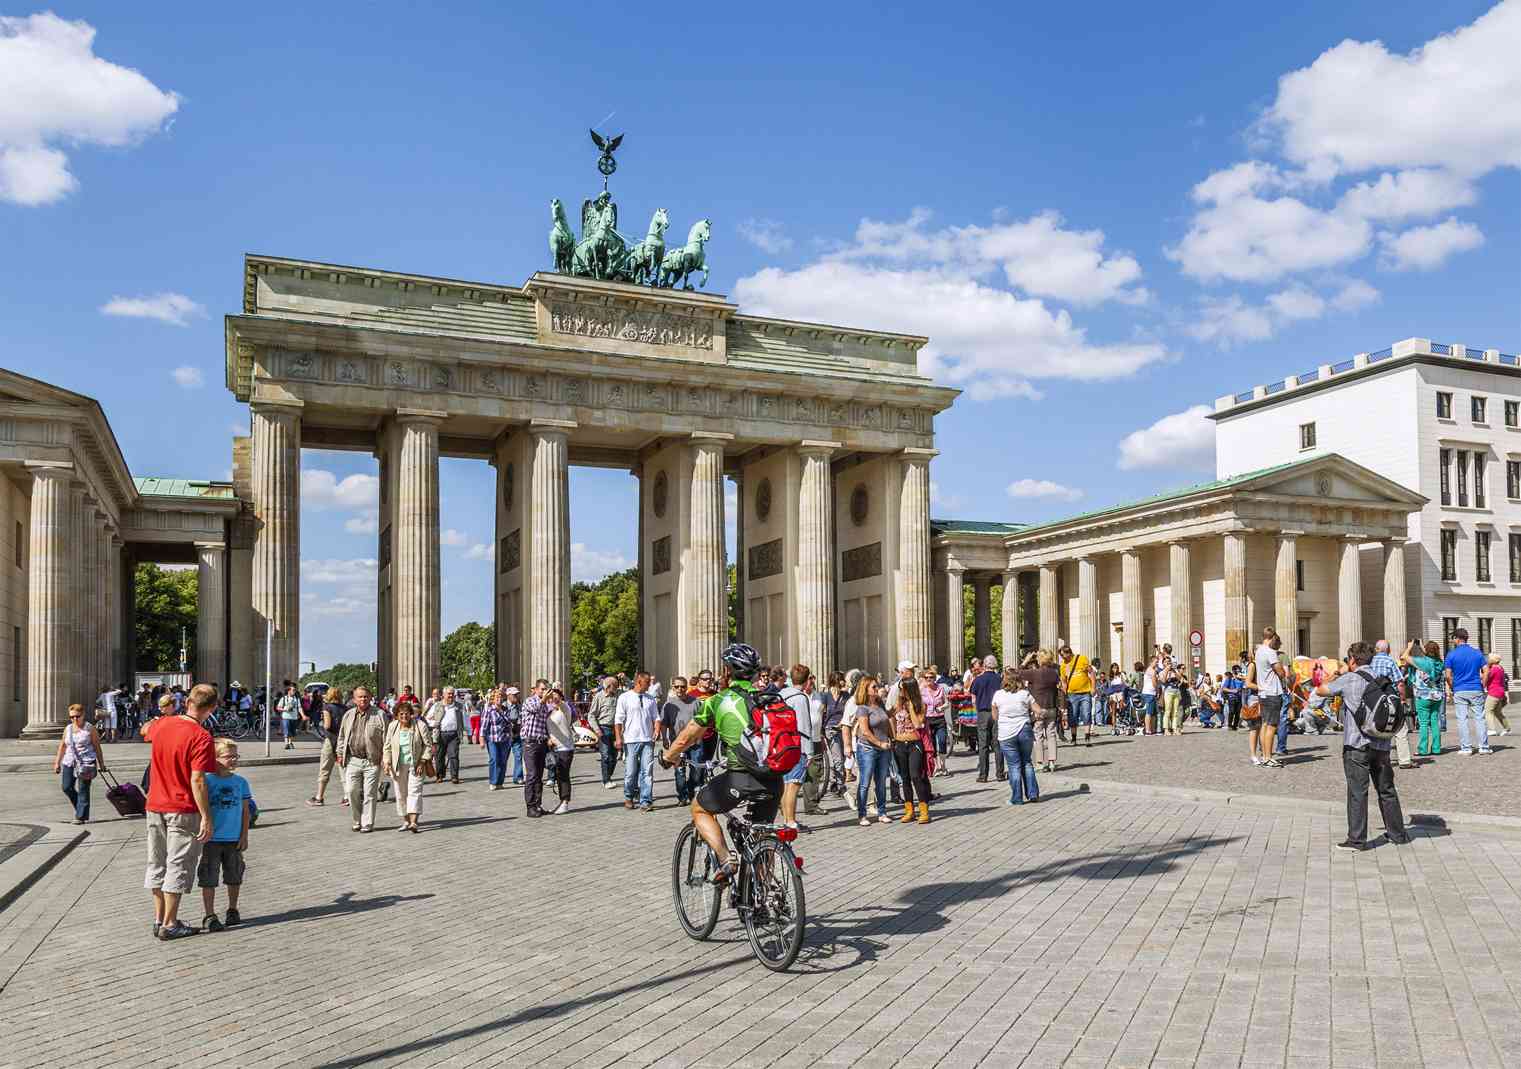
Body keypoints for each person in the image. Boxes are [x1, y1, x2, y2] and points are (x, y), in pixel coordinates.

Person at [658, 645, 781, 885]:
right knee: (763, 832)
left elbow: (688, 736)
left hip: (741, 777)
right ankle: (766, 898)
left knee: (700, 808)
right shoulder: (771, 698)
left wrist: (668, 756)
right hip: (775, 779)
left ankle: (726, 859)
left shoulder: (719, 700)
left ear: (727, 671)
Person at [1317, 641, 1410, 851]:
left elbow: (1320, 690)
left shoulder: (1349, 679)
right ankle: (1398, 834)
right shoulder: (1382, 680)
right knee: (1386, 789)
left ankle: (1357, 839)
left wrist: (1336, 673)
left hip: (1356, 744)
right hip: (1382, 743)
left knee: (1358, 791)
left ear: (1352, 660)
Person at [145, 683, 218, 941]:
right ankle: (170, 923)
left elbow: (146, 732)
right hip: (182, 807)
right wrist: (207, 817)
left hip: (154, 804)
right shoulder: (201, 736)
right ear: (212, 708)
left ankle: (158, 919)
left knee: (157, 862)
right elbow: (197, 780)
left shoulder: (162, 725)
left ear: (187, 701)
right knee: (178, 864)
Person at [197, 738, 251, 931]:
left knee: (234, 875)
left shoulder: (241, 782)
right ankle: (209, 914)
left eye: (236, 756)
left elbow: (246, 811)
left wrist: (244, 835)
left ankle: (232, 909)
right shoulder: (206, 781)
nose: (234, 760)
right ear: (216, 758)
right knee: (208, 877)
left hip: (233, 838)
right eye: (229, 756)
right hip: (211, 839)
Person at [336, 686, 386, 832]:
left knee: (370, 793)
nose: (363, 699)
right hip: (353, 759)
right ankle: (357, 820)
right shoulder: (348, 715)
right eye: (360, 697)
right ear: (354, 699)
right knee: (351, 791)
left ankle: (367, 823)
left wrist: (386, 758)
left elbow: (386, 738)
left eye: (366, 696)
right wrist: (340, 754)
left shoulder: (380, 714)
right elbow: (342, 736)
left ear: (370, 697)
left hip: (372, 760)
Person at [383, 699, 433, 833]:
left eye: (406, 714)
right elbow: (387, 746)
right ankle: (405, 820)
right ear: (397, 716)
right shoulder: (393, 726)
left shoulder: (420, 725)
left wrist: (423, 761)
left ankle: (413, 822)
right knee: (401, 794)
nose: (404, 717)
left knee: (414, 792)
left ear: (411, 714)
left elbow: (428, 746)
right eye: (401, 714)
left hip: (416, 765)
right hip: (398, 766)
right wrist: (387, 762)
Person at [993, 668, 1041, 805]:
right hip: (1024, 730)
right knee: (1026, 762)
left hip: (1006, 733)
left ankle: (1017, 798)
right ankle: (1032, 794)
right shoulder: (1024, 694)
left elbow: (995, 716)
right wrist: (1033, 716)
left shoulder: (998, 695)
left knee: (1014, 766)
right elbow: (1038, 710)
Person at [53, 703, 106, 825]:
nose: (75, 719)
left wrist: (101, 764)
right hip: (69, 761)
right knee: (66, 787)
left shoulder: (90, 728)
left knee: (83, 789)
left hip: (86, 762)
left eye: (77, 716)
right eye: (72, 717)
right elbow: (63, 746)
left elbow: (97, 747)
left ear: (83, 715)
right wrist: (57, 762)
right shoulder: (68, 728)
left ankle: (80, 816)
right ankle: (81, 807)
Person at [851, 676, 894, 826]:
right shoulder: (863, 708)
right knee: (865, 782)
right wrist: (880, 743)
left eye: (877, 686)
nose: (877, 689)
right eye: (874, 687)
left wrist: (890, 738)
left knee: (881, 782)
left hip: (883, 749)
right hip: (867, 749)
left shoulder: (880, 704)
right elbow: (866, 731)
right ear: (866, 690)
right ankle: (862, 814)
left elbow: (886, 721)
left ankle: (882, 812)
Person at [777, 664, 815, 830]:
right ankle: (791, 821)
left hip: (781, 743)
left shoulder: (781, 694)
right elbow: (804, 726)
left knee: (786, 784)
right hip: (796, 745)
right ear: (807, 681)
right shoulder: (800, 698)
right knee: (794, 784)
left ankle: (787, 819)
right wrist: (809, 751)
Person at [615, 671, 659, 812]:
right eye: (647, 682)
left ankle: (645, 801)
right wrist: (618, 738)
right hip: (630, 740)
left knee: (647, 772)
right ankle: (629, 796)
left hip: (647, 740)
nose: (649, 685)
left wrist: (656, 730)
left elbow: (656, 717)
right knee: (631, 772)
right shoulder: (625, 697)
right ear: (639, 681)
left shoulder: (650, 699)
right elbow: (618, 720)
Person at [1443, 628, 1492, 756]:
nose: (1452, 640)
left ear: (1457, 639)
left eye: (1453, 638)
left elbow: (1448, 675)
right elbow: (1486, 671)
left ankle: (1466, 748)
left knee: (1462, 719)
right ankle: (1484, 747)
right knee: (1480, 718)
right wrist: (1484, 684)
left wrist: (1452, 686)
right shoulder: (1477, 653)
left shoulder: (1451, 654)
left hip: (1459, 689)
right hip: (1476, 688)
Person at [889, 683, 932, 823]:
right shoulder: (898, 704)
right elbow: (891, 718)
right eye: (901, 689)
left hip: (914, 744)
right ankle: (909, 810)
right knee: (905, 777)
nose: (901, 691)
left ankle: (924, 810)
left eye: (903, 689)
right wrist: (894, 736)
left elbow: (918, 724)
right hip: (900, 744)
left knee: (915, 776)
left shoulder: (920, 705)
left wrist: (911, 707)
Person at [1368, 640, 1412, 768]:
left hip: (1373, 700)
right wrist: (1403, 699)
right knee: (1400, 728)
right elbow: (1400, 683)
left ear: (1376, 649)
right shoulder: (1390, 661)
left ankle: (1374, 759)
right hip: (1390, 699)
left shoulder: (1370, 662)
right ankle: (1404, 761)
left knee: (1373, 728)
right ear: (1388, 650)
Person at [1402, 640, 1445, 756]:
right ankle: (1436, 748)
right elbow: (1430, 657)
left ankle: (1423, 749)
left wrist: (1410, 647)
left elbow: (1404, 657)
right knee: (1435, 721)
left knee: (1424, 723)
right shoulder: (1440, 663)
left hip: (1423, 695)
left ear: (1426, 650)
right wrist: (1422, 647)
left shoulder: (1421, 662)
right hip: (1437, 695)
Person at [306, 687, 346, 807]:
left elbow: (327, 725)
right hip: (342, 741)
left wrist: (323, 725)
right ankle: (347, 797)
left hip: (330, 740)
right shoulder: (346, 708)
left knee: (325, 769)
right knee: (343, 769)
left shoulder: (327, 707)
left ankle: (319, 797)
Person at [1022, 650, 1061, 773]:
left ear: (1039, 659)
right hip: (1051, 707)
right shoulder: (1054, 673)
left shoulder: (1034, 673)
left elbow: (1016, 673)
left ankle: (1039, 763)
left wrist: (1026, 660)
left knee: (1038, 735)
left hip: (1038, 707)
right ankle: (1052, 762)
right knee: (1051, 734)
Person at [519, 679, 551, 817]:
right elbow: (534, 709)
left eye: (546, 689)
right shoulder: (530, 701)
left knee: (539, 776)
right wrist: (544, 700)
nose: (545, 692)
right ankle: (530, 807)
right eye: (542, 689)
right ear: (536, 689)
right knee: (531, 775)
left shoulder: (545, 704)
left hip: (541, 742)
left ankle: (538, 805)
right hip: (530, 743)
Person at [1254, 629, 1287, 768]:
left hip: (1262, 692)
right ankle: (1268, 757)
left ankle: (1264, 756)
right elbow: (1281, 672)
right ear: (1272, 637)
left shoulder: (1259, 651)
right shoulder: (1270, 652)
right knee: (1272, 726)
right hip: (1272, 692)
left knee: (1265, 725)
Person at [971, 655, 1004, 782]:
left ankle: (983, 775)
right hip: (997, 713)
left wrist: (977, 711)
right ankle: (1000, 774)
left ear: (984, 665)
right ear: (995, 666)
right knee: (997, 744)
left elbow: (973, 699)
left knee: (983, 745)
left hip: (983, 713)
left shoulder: (978, 680)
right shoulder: (999, 679)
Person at [544, 687, 577, 814]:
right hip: (554, 748)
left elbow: (562, 704)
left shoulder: (565, 709)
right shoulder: (550, 712)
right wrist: (548, 739)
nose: (553, 699)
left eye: (556, 697)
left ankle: (565, 801)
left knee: (563, 775)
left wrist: (557, 697)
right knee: (558, 775)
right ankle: (561, 801)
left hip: (565, 748)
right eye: (551, 697)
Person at [587, 675, 621, 789]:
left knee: (614, 756)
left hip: (616, 728)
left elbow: (631, 687)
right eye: (615, 686)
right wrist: (597, 730)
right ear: (608, 687)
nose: (617, 687)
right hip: (603, 728)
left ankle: (608, 776)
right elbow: (591, 715)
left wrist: (625, 678)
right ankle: (606, 780)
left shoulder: (619, 695)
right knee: (605, 755)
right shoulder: (599, 696)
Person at [478, 687, 515, 790]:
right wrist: (481, 739)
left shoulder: (505, 709)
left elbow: (509, 724)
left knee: (503, 761)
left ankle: (500, 782)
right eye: (497, 697)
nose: (499, 699)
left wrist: (510, 736)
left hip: (504, 739)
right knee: (494, 759)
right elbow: (484, 725)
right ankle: (493, 782)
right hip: (492, 739)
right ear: (493, 699)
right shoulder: (489, 710)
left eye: (500, 697)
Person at [1059, 645, 1095, 744]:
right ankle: (1074, 738)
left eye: (1063, 655)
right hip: (1072, 694)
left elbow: (1091, 673)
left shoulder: (1082, 659)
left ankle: (1087, 737)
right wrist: (1064, 692)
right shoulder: (1063, 665)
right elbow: (1064, 681)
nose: (1062, 658)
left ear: (1068, 653)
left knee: (1086, 713)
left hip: (1085, 692)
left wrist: (1093, 687)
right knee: (1073, 716)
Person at [433, 687, 467, 784]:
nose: (451, 696)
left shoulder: (459, 706)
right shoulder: (437, 705)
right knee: (439, 756)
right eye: (449, 694)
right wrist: (434, 725)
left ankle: (454, 777)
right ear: (443, 695)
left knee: (454, 756)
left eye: (452, 694)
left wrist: (465, 731)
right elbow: (429, 717)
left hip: (454, 734)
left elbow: (463, 718)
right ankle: (439, 775)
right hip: (441, 734)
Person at [920, 668, 949, 772]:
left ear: (935, 678)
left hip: (940, 718)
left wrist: (941, 708)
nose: (929, 679)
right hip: (928, 719)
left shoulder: (940, 688)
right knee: (932, 743)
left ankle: (943, 765)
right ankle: (936, 766)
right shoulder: (922, 690)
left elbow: (947, 703)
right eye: (926, 677)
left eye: (931, 677)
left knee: (942, 740)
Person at [1483, 653, 1511, 737]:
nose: (1487, 659)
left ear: (1492, 660)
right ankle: (1507, 728)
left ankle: (1492, 729)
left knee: (1488, 711)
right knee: (1498, 712)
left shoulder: (1493, 669)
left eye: (1488, 658)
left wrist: (1483, 673)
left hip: (1493, 692)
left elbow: (1487, 677)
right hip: (1500, 692)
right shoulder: (1500, 668)